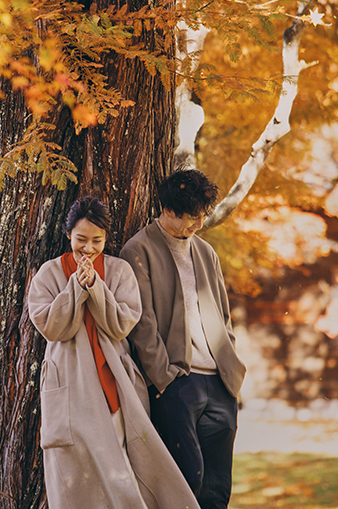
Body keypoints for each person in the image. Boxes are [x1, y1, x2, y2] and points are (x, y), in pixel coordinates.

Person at [28, 196, 200, 509]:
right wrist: (75, 289)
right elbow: (53, 328)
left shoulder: (119, 271)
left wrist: (94, 286)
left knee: (121, 471)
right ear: (69, 235)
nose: (89, 248)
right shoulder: (48, 274)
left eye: (97, 240)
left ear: (106, 238)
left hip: (113, 386)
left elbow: (121, 325)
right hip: (70, 389)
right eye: (81, 239)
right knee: (73, 477)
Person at [120, 169, 247, 509]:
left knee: (218, 490)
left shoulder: (206, 253)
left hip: (220, 383)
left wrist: (230, 363)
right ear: (170, 210)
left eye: (203, 215)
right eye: (193, 216)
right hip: (177, 383)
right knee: (187, 481)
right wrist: (163, 377)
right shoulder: (139, 250)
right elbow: (141, 322)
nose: (199, 223)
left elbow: (223, 313)